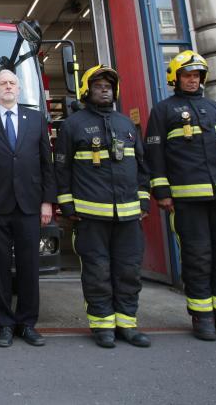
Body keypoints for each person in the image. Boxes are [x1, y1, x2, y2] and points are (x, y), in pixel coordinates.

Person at [145, 50, 216, 342]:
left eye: (196, 76)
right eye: (187, 76)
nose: (192, 81)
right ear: (176, 78)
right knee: (198, 257)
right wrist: (162, 192)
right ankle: (202, 317)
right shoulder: (163, 111)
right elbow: (154, 156)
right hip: (187, 198)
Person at [55, 65, 151, 349]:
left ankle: (127, 324)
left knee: (129, 270)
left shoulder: (126, 125)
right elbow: (61, 168)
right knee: (97, 271)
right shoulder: (72, 126)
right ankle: (102, 325)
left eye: (109, 85)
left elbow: (143, 167)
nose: (105, 88)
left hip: (129, 215)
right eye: (98, 84)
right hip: (90, 216)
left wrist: (143, 199)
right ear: (86, 90)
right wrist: (67, 204)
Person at [0, 69, 56, 347]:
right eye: (2, 84)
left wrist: (47, 201)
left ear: (19, 90)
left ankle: (27, 324)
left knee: (29, 266)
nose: (7, 87)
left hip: (30, 205)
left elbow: (47, 164)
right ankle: (5, 325)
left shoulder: (36, 119)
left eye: (12, 83)